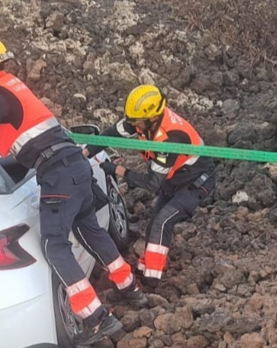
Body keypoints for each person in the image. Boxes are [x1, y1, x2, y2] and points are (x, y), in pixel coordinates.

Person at [0, 36, 148, 345]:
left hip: (57, 173)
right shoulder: (12, 86)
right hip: (73, 166)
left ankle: (97, 319)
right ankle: (131, 289)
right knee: (92, 231)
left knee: (55, 247)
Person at [88, 85, 215, 289]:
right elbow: (110, 134)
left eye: (136, 122)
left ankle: (151, 282)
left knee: (162, 222)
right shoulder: (140, 121)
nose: (132, 126)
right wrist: (85, 151)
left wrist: (117, 170)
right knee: (154, 222)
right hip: (173, 179)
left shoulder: (170, 138)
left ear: (153, 118)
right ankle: (145, 268)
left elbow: (152, 183)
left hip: (195, 182)